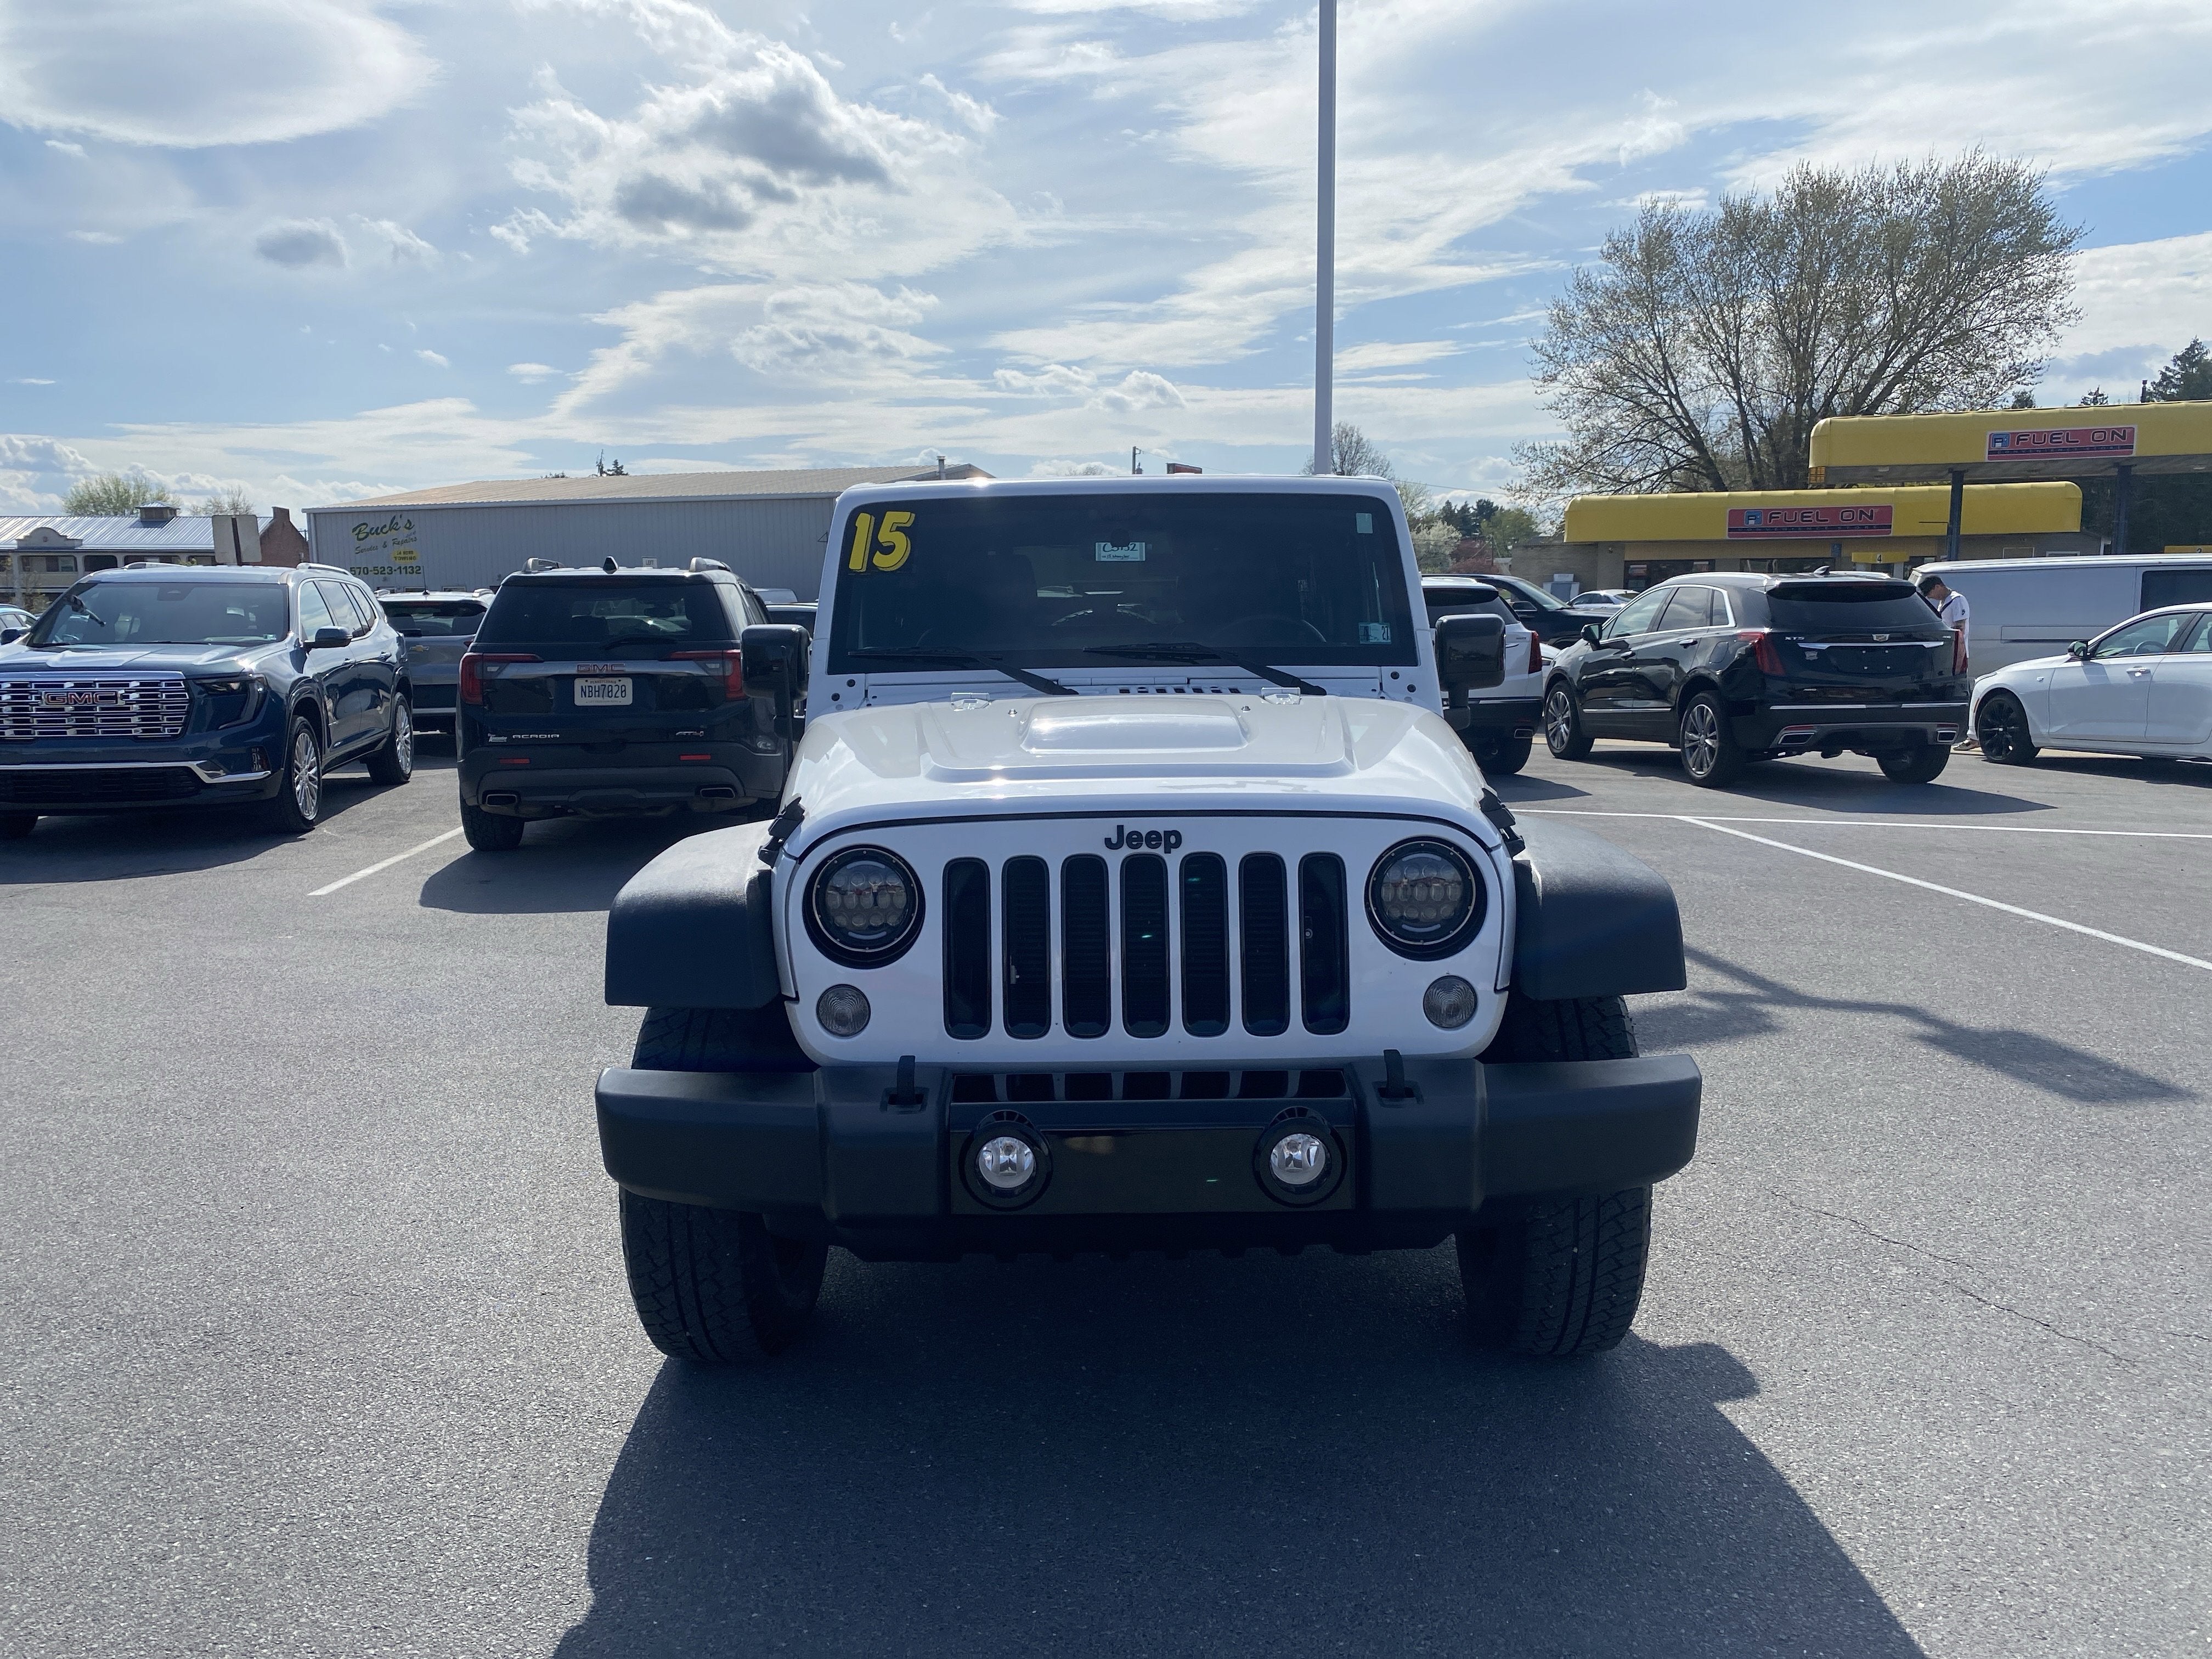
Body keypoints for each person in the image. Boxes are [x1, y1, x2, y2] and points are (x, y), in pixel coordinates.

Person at [1916, 571, 1974, 749]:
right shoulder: (1943, 602)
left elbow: (1959, 627)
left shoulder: (1957, 600)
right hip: (1943, 653)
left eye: (1930, 593)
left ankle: (1970, 734)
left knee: (1959, 689)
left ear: (1938, 587)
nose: (1931, 598)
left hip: (1956, 653)